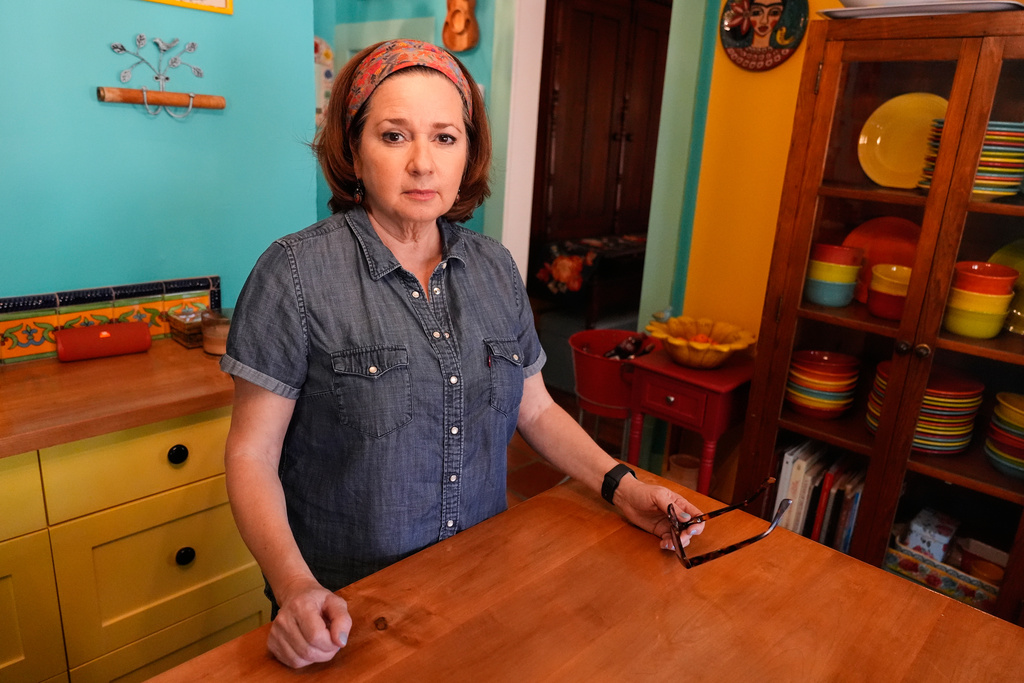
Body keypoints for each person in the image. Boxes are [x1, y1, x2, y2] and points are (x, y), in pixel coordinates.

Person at [220, 38, 705, 670]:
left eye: (446, 137)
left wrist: (621, 485)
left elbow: (533, 408)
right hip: (347, 610)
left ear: (469, 153)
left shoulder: (494, 268)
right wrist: (294, 588)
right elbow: (251, 454)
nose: (423, 163)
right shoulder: (293, 273)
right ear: (354, 150)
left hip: (481, 582)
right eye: (394, 136)